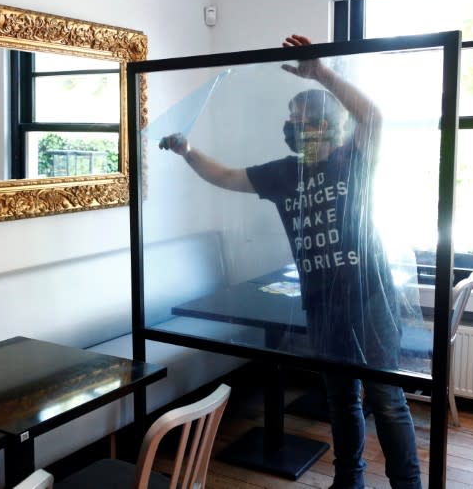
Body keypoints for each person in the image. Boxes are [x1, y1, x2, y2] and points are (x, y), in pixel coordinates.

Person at [159, 34, 421, 489]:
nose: (292, 126)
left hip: (369, 294)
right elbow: (223, 175)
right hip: (321, 301)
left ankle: (408, 484)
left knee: (387, 398)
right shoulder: (283, 172)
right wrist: (187, 152)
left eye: (300, 119)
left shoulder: (351, 161)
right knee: (342, 398)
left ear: (323, 124)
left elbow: (373, 118)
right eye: (290, 119)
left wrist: (321, 72)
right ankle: (348, 480)